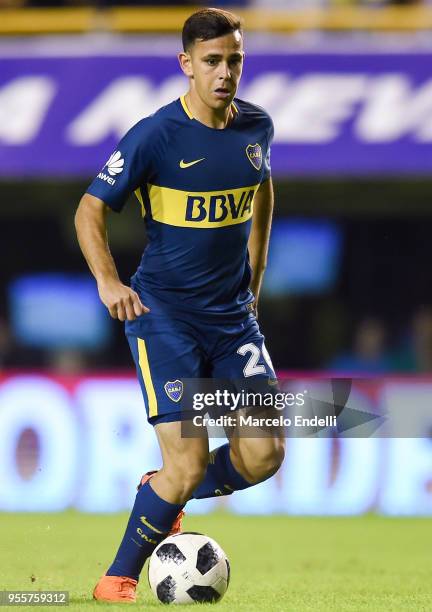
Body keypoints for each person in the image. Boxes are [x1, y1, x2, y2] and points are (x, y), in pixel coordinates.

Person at [75, 7, 285, 603]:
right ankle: (115, 579)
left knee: (265, 455)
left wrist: (257, 272)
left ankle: (160, 490)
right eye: (212, 61)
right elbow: (90, 209)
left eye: (234, 60)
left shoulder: (256, 128)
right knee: (188, 464)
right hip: (164, 316)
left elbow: (263, 191)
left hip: (232, 320)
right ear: (186, 64)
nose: (224, 73)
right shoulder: (155, 135)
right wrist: (108, 283)